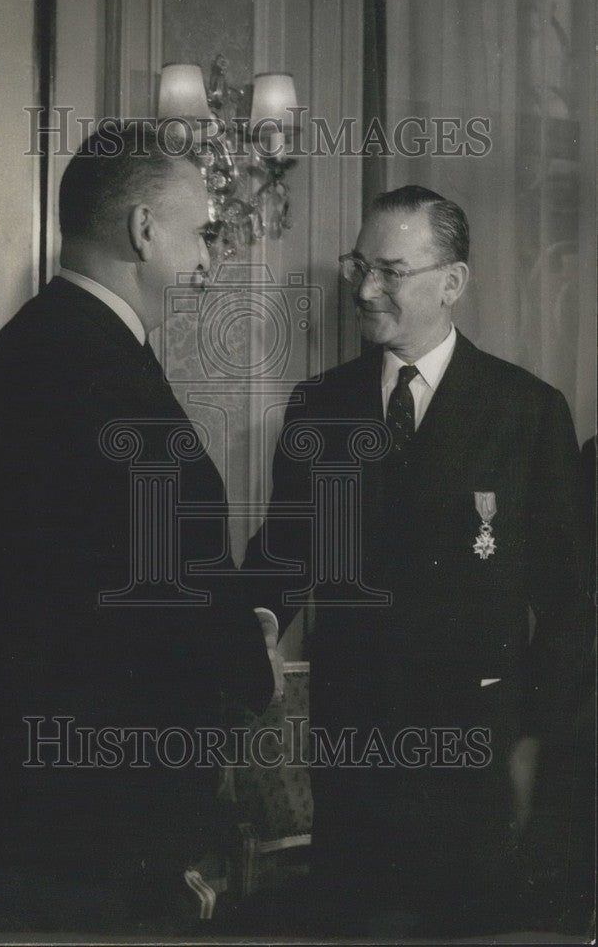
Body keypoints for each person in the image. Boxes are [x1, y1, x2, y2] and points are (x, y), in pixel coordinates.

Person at [0, 123, 275, 925]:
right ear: (142, 230)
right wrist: (247, 648)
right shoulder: (90, 366)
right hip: (97, 813)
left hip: (57, 794)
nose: (207, 261)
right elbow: (153, 587)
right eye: (201, 234)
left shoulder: (50, 344)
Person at [245, 185, 588, 936]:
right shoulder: (321, 406)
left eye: (390, 271)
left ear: (451, 283)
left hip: (476, 761)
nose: (365, 289)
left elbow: (571, 603)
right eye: (360, 266)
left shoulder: (527, 411)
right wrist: (255, 624)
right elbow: (284, 553)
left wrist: (533, 740)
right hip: (353, 756)